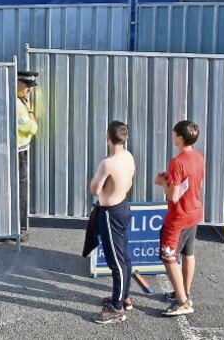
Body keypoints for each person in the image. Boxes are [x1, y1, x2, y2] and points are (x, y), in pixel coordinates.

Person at [155, 120, 205, 317]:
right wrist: (170, 178)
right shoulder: (199, 157)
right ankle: (184, 293)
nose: (172, 135)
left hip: (178, 217)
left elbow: (173, 196)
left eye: (174, 133)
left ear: (180, 138)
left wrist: (162, 182)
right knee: (188, 253)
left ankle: (182, 302)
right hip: (194, 212)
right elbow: (192, 182)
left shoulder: (177, 162)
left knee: (168, 257)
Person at [89, 121, 136, 325]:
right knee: (124, 256)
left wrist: (98, 180)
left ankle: (117, 308)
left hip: (110, 213)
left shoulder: (107, 163)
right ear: (125, 137)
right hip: (123, 207)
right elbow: (129, 181)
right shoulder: (128, 156)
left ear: (108, 137)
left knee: (116, 262)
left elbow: (94, 189)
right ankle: (125, 297)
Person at [16, 70, 39, 242]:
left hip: (17, 151)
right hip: (18, 152)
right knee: (20, 189)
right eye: (27, 86)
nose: (30, 90)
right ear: (17, 83)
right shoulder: (18, 105)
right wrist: (30, 111)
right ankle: (19, 228)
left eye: (31, 86)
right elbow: (32, 128)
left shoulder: (19, 100)